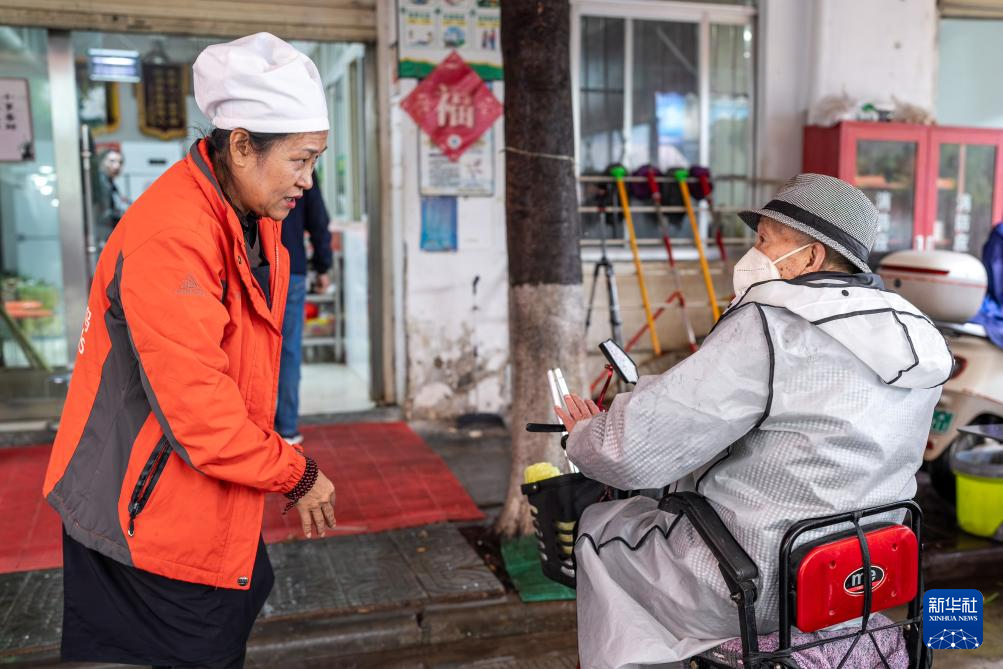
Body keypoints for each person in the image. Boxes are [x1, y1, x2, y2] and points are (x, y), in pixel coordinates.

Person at [555, 174, 954, 667]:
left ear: (810, 258)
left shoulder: (772, 324)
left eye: (765, 240)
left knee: (600, 531)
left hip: (754, 584)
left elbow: (633, 450)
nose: (754, 252)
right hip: (860, 578)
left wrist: (583, 437)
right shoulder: (915, 333)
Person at [43, 33, 337, 669]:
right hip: (140, 511)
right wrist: (298, 473)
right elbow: (201, 413)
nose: (307, 183)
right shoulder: (175, 238)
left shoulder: (249, 214)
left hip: (192, 497)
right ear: (239, 145)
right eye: (300, 160)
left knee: (233, 609)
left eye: (315, 161)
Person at [276, 173, 332, 444]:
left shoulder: (250, 158)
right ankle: (286, 428)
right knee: (288, 351)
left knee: (248, 348)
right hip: (291, 268)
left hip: (250, 268)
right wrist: (323, 266)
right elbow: (318, 218)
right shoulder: (300, 166)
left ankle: (251, 428)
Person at [95, 148, 130, 236]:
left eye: (120, 162)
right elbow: (104, 212)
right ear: (102, 162)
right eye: (112, 161)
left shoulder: (110, 183)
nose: (117, 166)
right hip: (104, 232)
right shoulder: (101, 182)